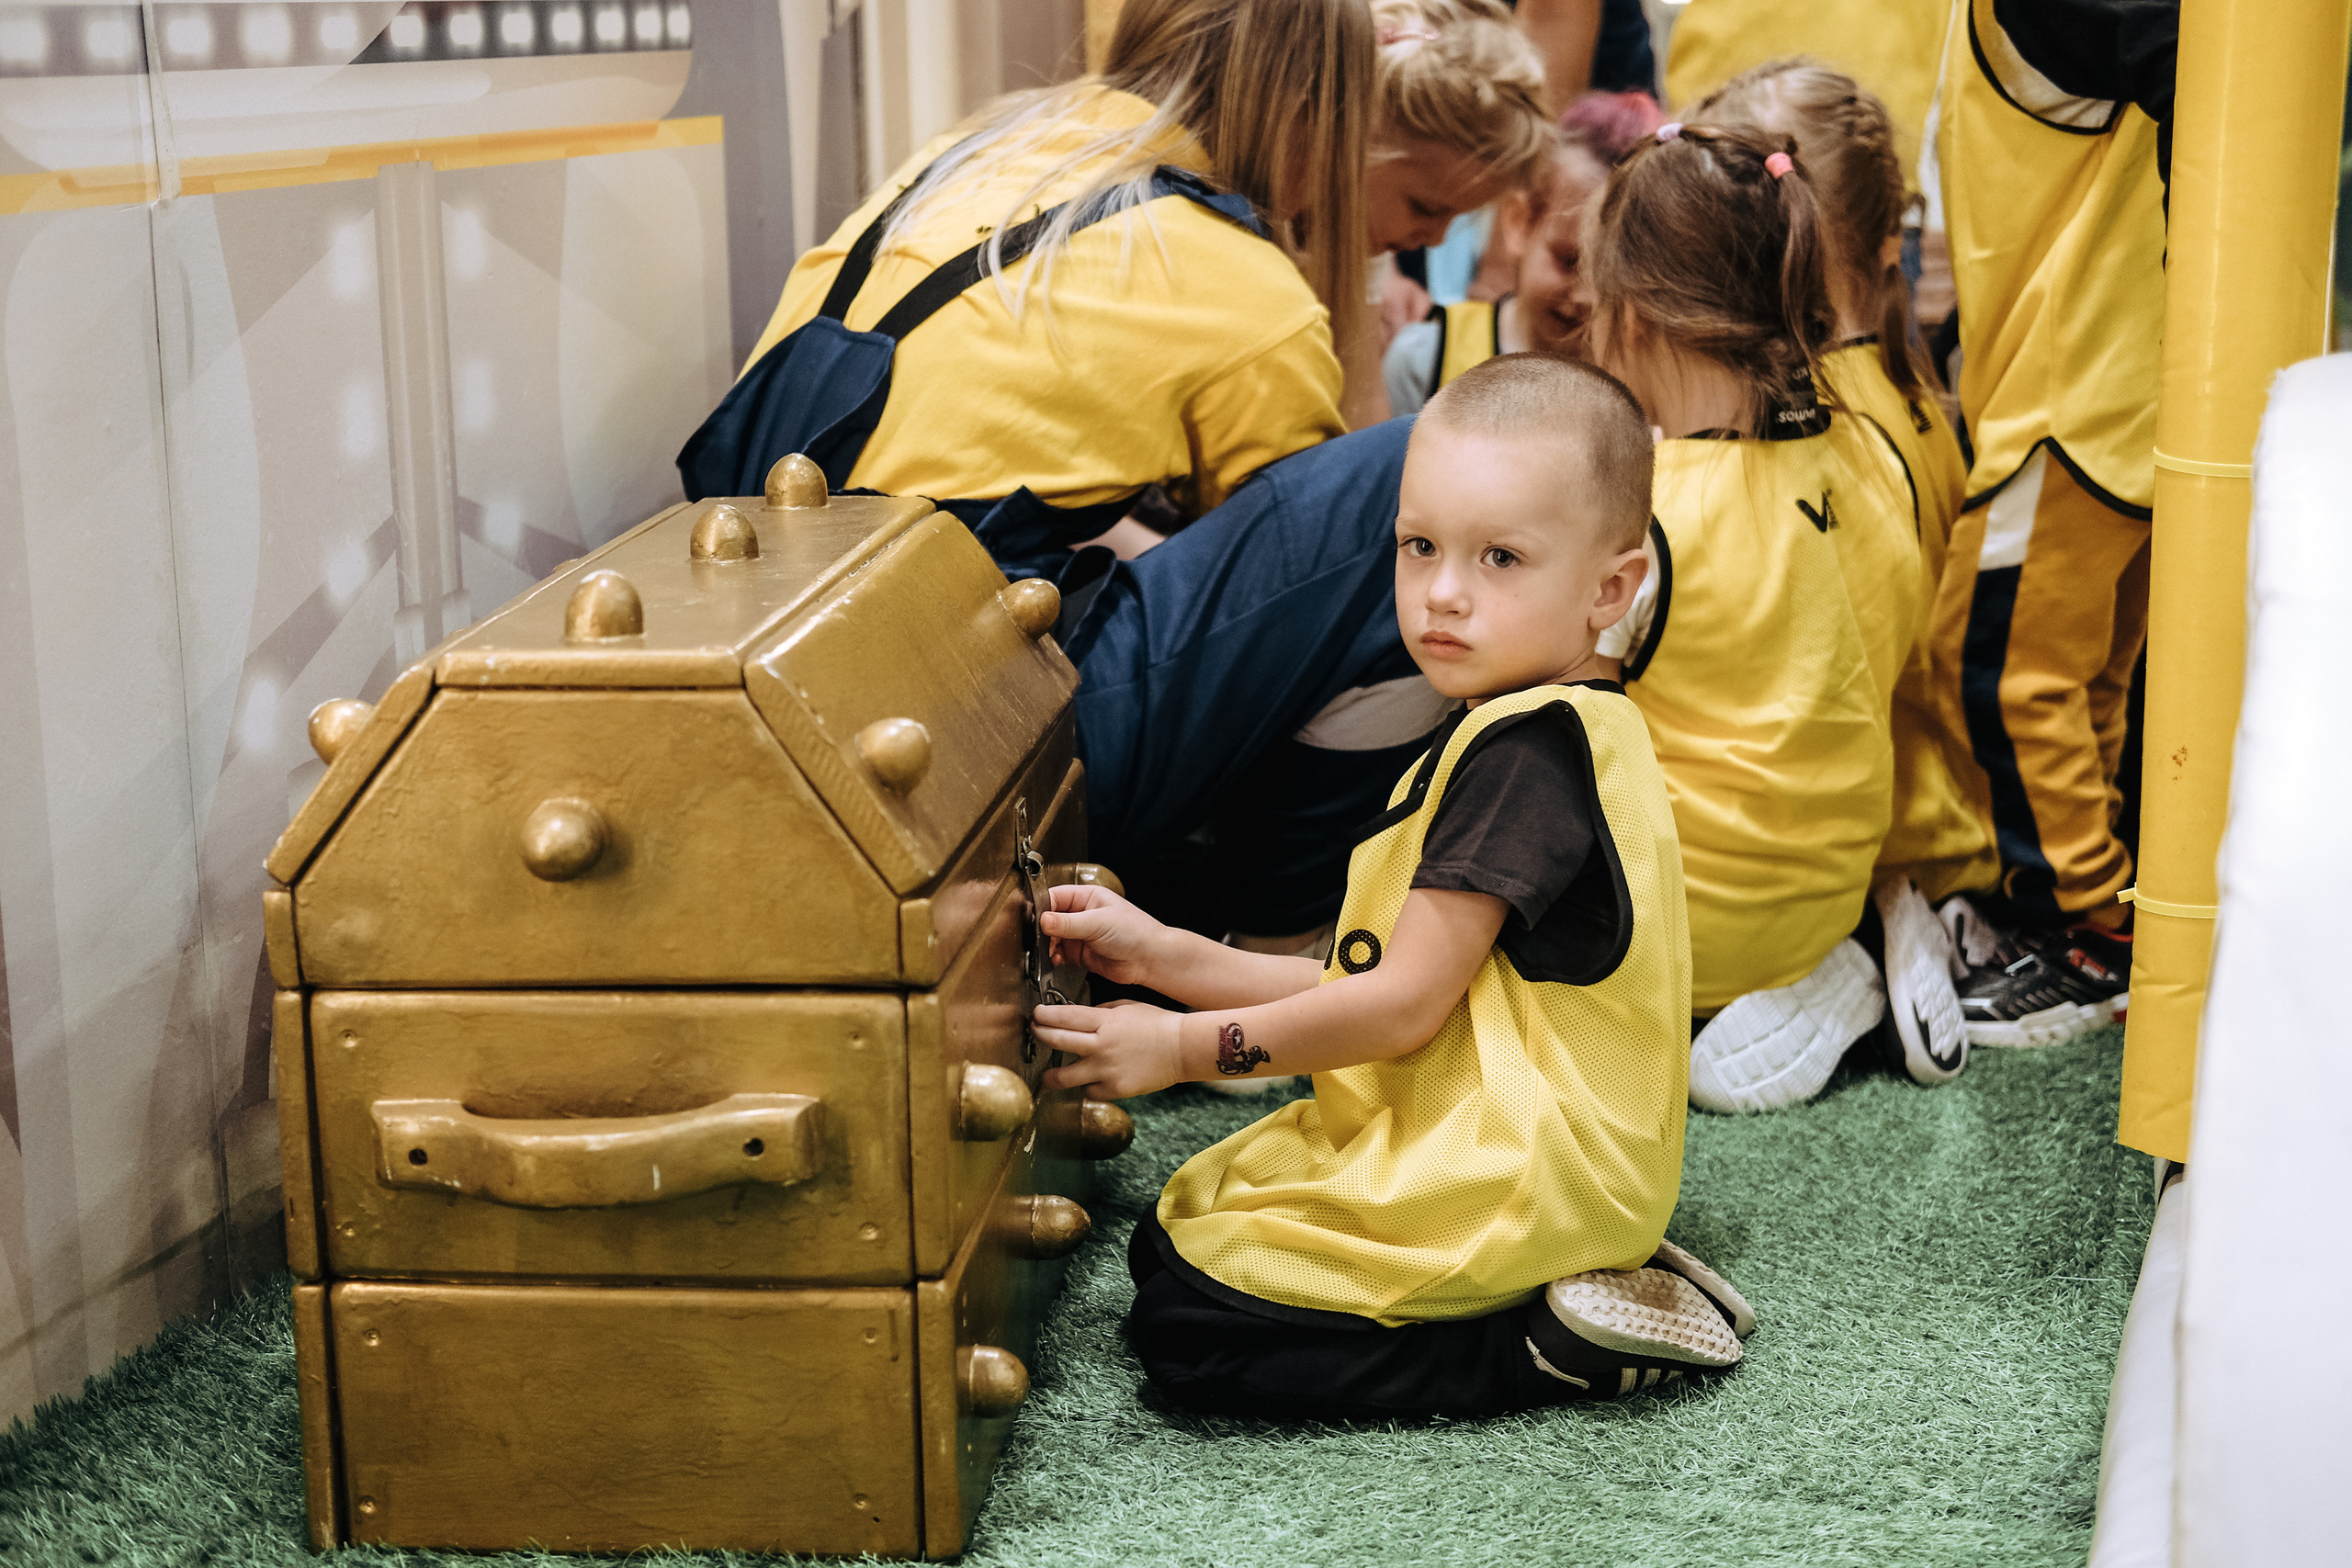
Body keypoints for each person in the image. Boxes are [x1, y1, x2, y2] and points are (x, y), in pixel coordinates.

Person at [1032, 355, 1754, 1419]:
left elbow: (1398, 1007)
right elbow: (1374, 973)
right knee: (1169, 1241)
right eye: (1420, 547)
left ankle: (1546, 1344)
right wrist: (1163, 956)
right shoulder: (1532, 720)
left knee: (1189, 1333)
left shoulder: (1528, 759)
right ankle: (1570, 1280)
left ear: (1611, 586)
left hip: (1527, 1165)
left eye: (1500, 558)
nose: (1442, 594)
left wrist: (1180, 1046)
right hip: (1477, 1122)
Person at [1579, 121, 1924, 1112]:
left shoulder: (1642, 508)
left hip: (1669, 933)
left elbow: (1563, 717)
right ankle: (1829, 965)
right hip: (1824, 890)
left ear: (1630, 316)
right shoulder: (1875, 460)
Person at [1692, 61, 1995, 1085]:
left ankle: (1871, 940)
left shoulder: (1824, 427)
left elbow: (1839, 678)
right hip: (1940, 811)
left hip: (1895, 835)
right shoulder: (1899, 386)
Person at [1921, 0, 2172, 1046]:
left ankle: (2083, 933)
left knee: (1997, 671)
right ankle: (2097, 909)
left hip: (2074, 398)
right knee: (2083, 682)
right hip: (2116, 392)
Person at [1384, 88, 1661, 412]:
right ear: (1520, 221)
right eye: (1569, 261)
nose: (1587, 296)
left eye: (1611, 278)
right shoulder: (1426, 358)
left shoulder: (1651, 386)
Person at [1350, 0, 1555, 427]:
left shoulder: (1370, 248)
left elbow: (1362, 392)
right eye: (1424, 208)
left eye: (1455, 219)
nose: (1436, 238)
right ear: (1358, 139)